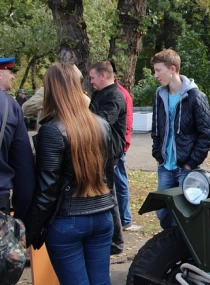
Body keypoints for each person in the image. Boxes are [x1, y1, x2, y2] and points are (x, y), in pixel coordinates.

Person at [24, 62, 115, 285]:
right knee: (100, 282)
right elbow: (109, 174)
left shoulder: (52, 130)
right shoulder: (101, 124)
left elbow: (47, 190)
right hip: (102, 214)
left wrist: (30, 232)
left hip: (68, 220)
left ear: (52, 90)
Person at [151, 49, 210, 229]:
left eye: (158, 70)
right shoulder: (159, 95)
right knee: (162, 211)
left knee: (188, 212)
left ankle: (186, 250)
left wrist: (190, 162)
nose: (155, 75)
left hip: (185, 168)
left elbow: (207, 135)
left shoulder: (195, 96)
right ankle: (172, 244)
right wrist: (158, 156)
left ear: (172, 69)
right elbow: (156, 128)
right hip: (165, 166)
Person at [88, 60, 126, 255]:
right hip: (101, 151)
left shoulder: (114, 96)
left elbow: (101, 122)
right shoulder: (102, 94)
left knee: (108, 197)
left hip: (108, 153)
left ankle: (116, 241)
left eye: (93, 77)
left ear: (103, 76)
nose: (91, 81)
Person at [0, 56, 35, 220]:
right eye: (10, 71)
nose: (13, 76)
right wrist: (21, 219)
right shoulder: (10, 107)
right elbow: (23, 167)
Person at [114, 75, 140, 231]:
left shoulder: (120, 94)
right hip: (116, 146)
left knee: (120, 182)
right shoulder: (106, 92)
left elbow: (127, 123)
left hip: (118, 147)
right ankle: (123, 219)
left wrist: (124, 145)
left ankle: (125, 220)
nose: (91, 82)